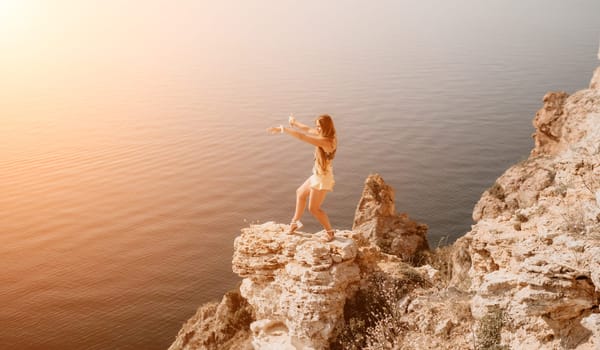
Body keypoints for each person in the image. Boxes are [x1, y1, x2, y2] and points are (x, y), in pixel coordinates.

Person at [267, 114, 338, 242]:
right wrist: (294, 122)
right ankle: (294, 223)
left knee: (314, 209)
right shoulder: (324, 135)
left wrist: (284, 129)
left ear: (326, 127)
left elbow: (302, 136)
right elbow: (306, 129)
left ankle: (330, 233)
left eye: (320, 127)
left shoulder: (326, 141)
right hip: (318, 174)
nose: (317, 129)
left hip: (323, 178)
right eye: (317, 126)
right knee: (300, 193)